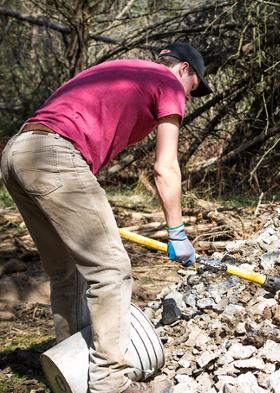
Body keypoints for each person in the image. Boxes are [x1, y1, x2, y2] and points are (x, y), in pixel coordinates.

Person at [0, 42, 212, 392]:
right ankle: (110, 383)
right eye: (194, 86)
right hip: (54, 154)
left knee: (66, 271)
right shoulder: (170, 82)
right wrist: (176, 230)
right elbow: (165, 167)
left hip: (18, 153)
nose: (189, 96)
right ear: (184, 69)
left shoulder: (122, 71)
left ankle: (71, 370)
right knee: (111, 269)